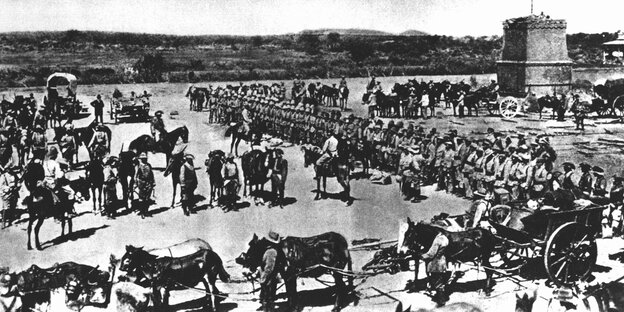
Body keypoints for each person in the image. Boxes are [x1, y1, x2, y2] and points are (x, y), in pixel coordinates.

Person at [420, 227, 450, 306]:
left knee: (437, 282)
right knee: (441, 280)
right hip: (442, 262)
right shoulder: (445, 238)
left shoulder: (438, 240)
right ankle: (442, 297)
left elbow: (431, 254)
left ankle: (441, 300)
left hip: (435, 264)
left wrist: (421, 256)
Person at [258, 230, 285, 312]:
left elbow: (269, 268)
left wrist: (263, 278)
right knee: (267, 299)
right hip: (269, 279)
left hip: (268, 280)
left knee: (267, 300)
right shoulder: (271, 250)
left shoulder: (271, 252)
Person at [133, 152, 154, 218]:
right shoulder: (139, 166)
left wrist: (153, 182)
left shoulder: (149, 165)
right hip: (142, 183)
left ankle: (146, 211)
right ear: (141, 159)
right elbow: (136, 176)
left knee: (147, 198)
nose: (144, 159)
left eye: (145, 158)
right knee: (142, 198)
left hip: (149, 182)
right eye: (143, 158)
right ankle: (142, 212)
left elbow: (151, 174)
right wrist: (136, 184)